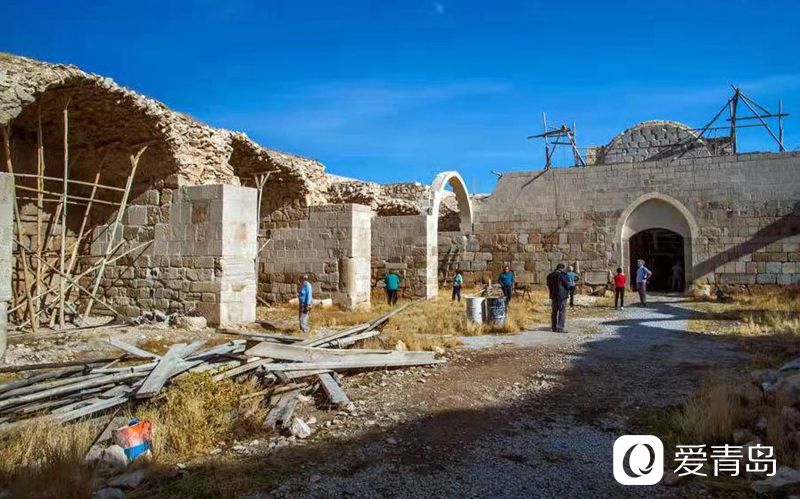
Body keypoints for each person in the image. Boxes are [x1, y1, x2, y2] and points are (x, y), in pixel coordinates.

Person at [546, 263, 570, 333]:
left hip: (553, 295)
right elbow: (567, 285)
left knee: (554, 311)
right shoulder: (563, 275)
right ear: (562, 268)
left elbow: (548, 284)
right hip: (562, 295)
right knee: (562, 311)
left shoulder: (550, 275)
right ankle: (560, 328)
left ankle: (553, 327)